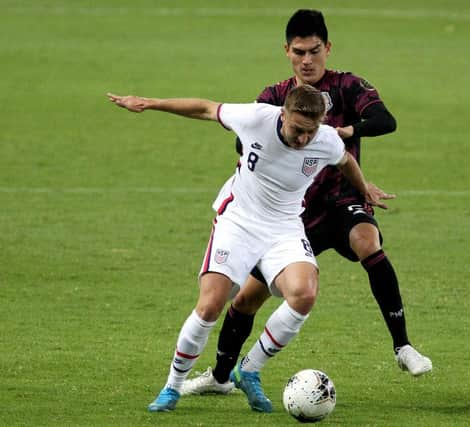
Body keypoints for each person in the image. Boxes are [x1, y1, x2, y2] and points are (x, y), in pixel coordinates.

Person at [181, 8, 432, 411]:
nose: (307, 60)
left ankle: (403, 346)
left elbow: (385, 120)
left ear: (327, 49)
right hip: (288, 221)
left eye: (315, 51)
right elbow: (242, 142)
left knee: (367, 241)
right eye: (299, 52)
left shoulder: (347, 86)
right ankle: (221, 375)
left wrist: (348, 132)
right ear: (287, 52)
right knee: (246, 300)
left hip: (343, 202)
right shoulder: (273, 98)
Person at [106, 84, 384, 413]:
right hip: (238, 223)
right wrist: (150, 103)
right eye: (297, 129)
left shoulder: (325, 139)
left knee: (304, 294)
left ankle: (248, 369)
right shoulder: (255, 118)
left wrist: (364, 188)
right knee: (211, 304)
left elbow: (345, 160)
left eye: (310, 132)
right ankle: (172, 386)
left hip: (284, 229)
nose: (302, 139)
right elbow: (205, 107)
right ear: (283, 114)